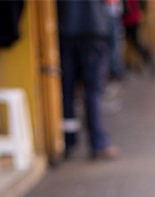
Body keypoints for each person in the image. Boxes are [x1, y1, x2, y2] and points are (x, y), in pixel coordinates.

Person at [57, 0, 119, 160]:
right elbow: (112, 5)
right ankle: (99, 142)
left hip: (66, 30)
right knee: (93, 92)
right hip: (94, 29)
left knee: (67, 91)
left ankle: (67, 141)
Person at [122, 0, 155, 77]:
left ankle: (147, 59)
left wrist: (141, 11)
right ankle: (136, 63)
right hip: (129, 18)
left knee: (135, 43)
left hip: (131, 19)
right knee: (132, 43)